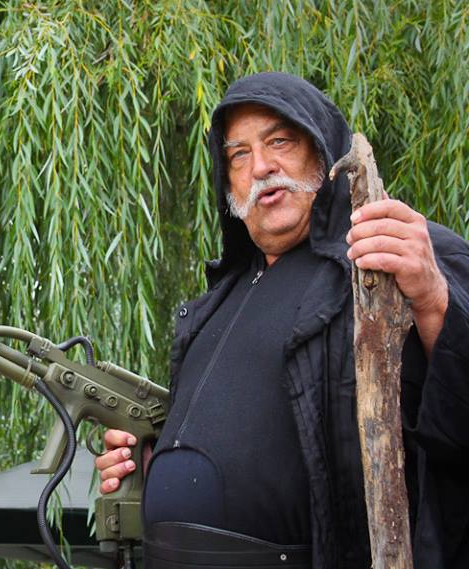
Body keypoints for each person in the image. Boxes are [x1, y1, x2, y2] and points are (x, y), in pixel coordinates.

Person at [95, 72, 469, 568]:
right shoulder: (217, 302)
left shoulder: (397, 251)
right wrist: (154, 462)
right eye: (239, 154)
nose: (261, 167)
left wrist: (435, 298)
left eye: (280, 142)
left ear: (322, 150)